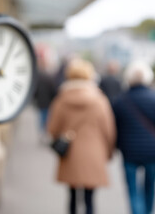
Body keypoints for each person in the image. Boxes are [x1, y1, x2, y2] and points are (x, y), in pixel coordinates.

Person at [47, 58, 116, 214]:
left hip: (70, 154)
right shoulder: (100, 100)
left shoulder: (61, 99)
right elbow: (109, 130)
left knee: (71, 196)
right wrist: (109, 152)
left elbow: (51, 129)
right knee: (90, 198)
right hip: (94, 153)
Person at [112, 61, 155, 214]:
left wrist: (115, 146)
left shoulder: (120, 100)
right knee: (150, 188)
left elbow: (115, 127)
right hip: (153, 152)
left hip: (129, 152)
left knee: (133, 191)